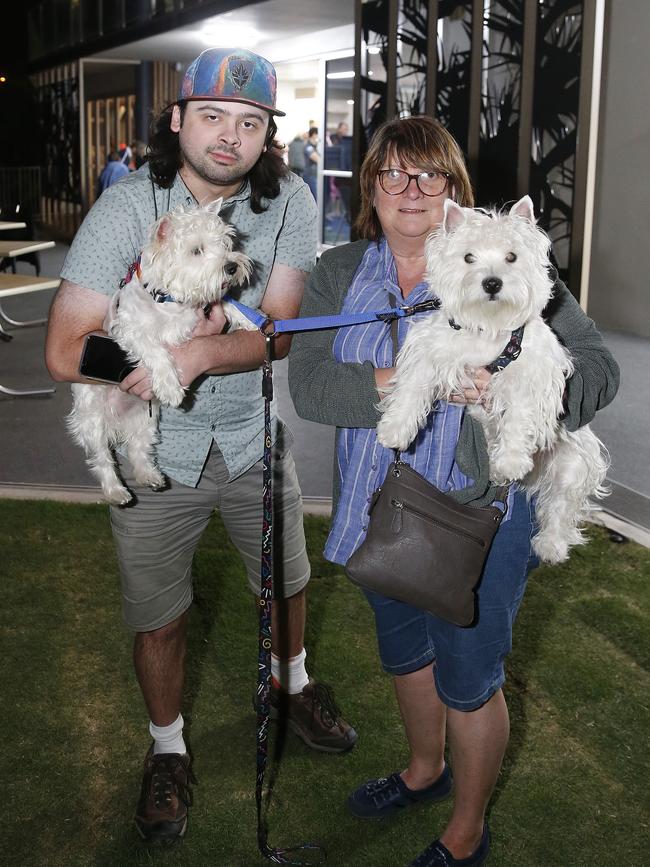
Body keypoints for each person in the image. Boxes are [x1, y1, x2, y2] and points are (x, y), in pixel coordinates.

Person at [45, 47, 357, 847]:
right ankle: (168, 748)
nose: (230, 135)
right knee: (160, 618)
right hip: (159, 450)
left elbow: (278, 329)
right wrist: (148, 363)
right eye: (213, 115)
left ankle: (295, 685)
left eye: (250, 123)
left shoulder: (286, 196)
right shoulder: (125, 208)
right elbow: (63, 349)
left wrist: (199, 353)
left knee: (286, 581)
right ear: (177, 119)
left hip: (251, 437)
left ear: (266, 137)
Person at [288, 115, 619, 867]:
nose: (411, 190)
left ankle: (466, 830)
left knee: (468, 673)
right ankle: (423, 770)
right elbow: (308, 388)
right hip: (381, 499)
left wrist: (533, 406)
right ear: (368, 185)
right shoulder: (338, 270)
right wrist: (422, 378)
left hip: (487, 510)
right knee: (405, 650)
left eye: (430, 174)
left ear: (454, 193)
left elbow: (600, 365)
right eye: (393, 174)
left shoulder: (518, 271)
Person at [303, 126, 319, 200]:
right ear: (314, 134)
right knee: (315, 198)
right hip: (310, 175)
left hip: (315, 175)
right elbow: (317, 159)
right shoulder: (308, 146)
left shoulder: (315, 146)